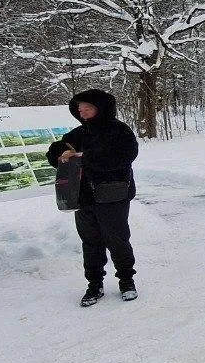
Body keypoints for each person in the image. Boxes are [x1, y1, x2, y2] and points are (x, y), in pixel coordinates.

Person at [47, 89, 140, 307]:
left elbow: (125, 156)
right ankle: (94, 283)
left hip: (113, 195)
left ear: (100, 108)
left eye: (87, 107)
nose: (82, 111)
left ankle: (126, 280)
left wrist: (85, 158)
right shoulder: (79, 133)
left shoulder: (119, 131)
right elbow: (56, 151)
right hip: (84, 197)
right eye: (79, 108)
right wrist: (61, 153)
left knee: (117, 239)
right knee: (90, 242)